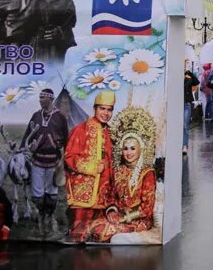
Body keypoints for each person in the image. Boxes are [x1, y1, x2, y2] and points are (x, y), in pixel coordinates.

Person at [87, 107, 158, 242]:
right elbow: (111, 196)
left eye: (132, 148)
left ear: (140, 150)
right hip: (119, 216)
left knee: (103, 232)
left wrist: (124, 218)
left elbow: (147, 209)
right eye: (125, 148)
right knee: (91, 228)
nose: (128, 153)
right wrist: (112, 211)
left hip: (139, 219)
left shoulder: (147, 173)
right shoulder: (119, 171)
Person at [64, 90, 116, 243]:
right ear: (95, 108)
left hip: (103, 197)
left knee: (99, 238)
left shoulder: (111, 133)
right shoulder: (80, 130)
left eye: (109, 109)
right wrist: (92, 167)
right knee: (78, 235)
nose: (106, 113)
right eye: (102, 108)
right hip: (83, 196)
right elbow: (69, 157)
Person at [19, 88, 69, 233]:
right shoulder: (36, 116)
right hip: (37, 161)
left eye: (43, 98)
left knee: (52, 194)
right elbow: (28, 134)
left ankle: (50, 217)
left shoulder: (60, 118)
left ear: (51, 99)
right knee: (38, 194)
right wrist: (24, 148)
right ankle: (41, 217)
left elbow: (66, 138)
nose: (40, 100)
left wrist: (65, 158)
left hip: (54, 161)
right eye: (39, 98)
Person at [184, 69, 199, 155]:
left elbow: (196, 82)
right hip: (178, 105)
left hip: (186, 104)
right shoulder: (175, 79)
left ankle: (184, 146)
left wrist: (190, 73)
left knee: (185, 125)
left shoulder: (188, 79)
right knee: (179, 126)